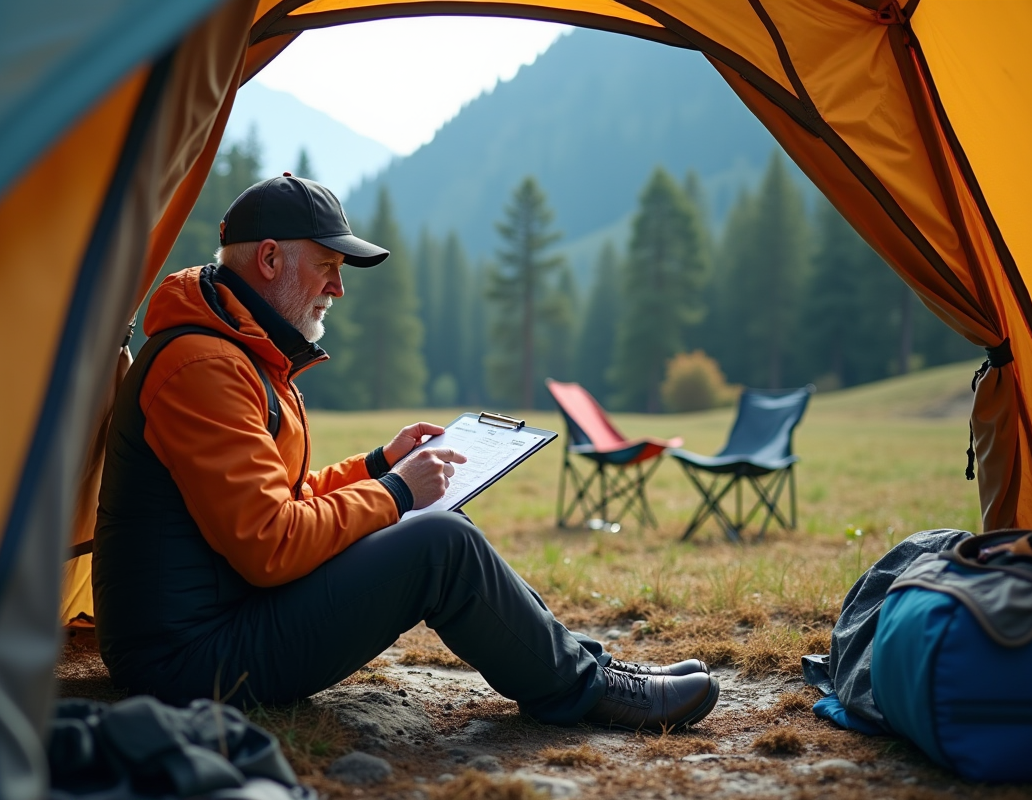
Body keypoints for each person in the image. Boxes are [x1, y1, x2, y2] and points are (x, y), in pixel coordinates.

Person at [92, 175, 720, 731]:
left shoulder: (237, 354)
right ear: (269, 259)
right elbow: (269, 543)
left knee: (435, 520)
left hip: (223, 618)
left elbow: (279, 498)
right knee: (438, 541)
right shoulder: (202, 365)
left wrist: (378, 467)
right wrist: (396, 492)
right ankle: (586, 691)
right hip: (188, 660)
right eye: (327, 265)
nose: (338, 287)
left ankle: (585, 665)